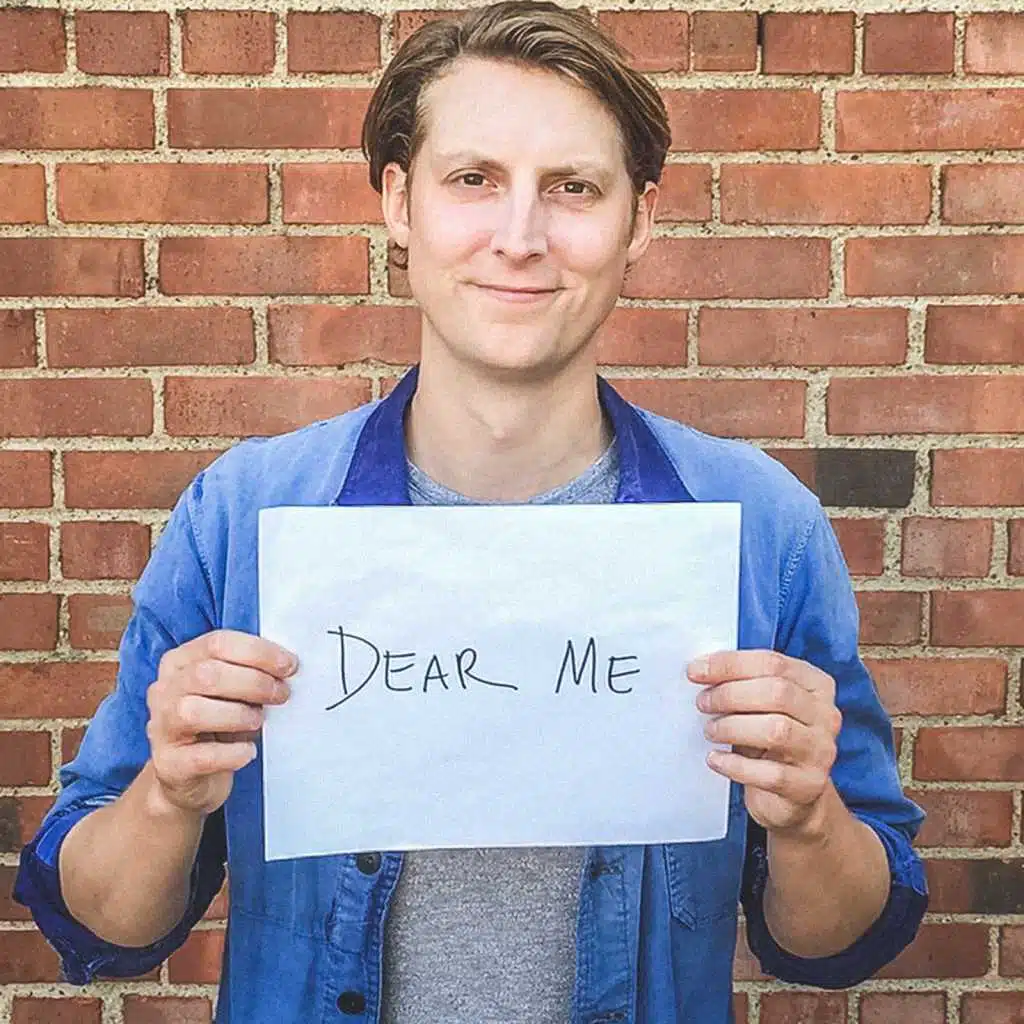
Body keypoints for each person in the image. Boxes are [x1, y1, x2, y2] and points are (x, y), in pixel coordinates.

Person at [15, 4, 927, 1022]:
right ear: (400, 203)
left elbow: (840, 944)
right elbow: (102, 923)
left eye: (573, 187)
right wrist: (167, 794)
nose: (520, 238)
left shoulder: (765, 531)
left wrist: (809, 819)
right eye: (473, 179)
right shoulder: (242, 516)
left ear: (639, 219)